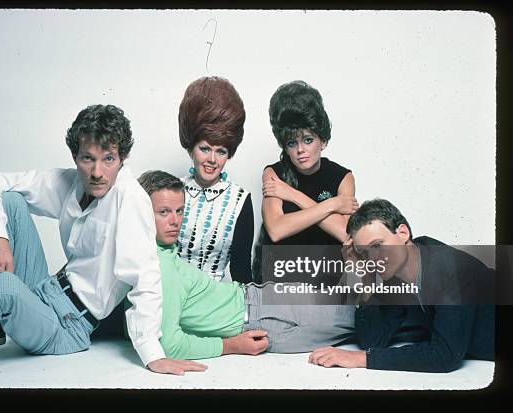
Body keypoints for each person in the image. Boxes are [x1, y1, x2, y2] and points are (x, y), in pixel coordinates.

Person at [0, 104, 206, 376]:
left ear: (123, 158)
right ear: (75, 156)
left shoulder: (130, 199)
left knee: (2, 286)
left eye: (108, 159)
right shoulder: (71, 182)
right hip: (44, 289)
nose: (97, 172)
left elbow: (146, 278)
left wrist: (152, 354)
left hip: (67, 326)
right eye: (88, 158)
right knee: (10, 200)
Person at [138, 170, 355, 360]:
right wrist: (231, 346)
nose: (175, 221)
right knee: (359, 317)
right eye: (164, 212)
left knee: (359, 302)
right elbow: (170, 345)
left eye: (179, 210)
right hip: (260, 317)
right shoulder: (160, 268)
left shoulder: (161, 251)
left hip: (256, 296)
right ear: (142, 212)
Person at [308, 199, 495, 373]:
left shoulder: (453, 269)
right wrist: (367, 279)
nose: (372, 259)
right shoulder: (397, 277)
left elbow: (444, 356)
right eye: (364, 252)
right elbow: (373, 340)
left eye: (378, 245)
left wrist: (359, 359)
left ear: (403, 233)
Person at [252, 80, 358, 282]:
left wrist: (293, 195)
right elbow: (276, 229)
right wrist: (333, 205)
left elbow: (345, 234)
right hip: (281, 278)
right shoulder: (274, 173)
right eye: (292, 143)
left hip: (326, 281)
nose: (300, 150)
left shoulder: (342, 177)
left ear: (323, 141)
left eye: (308, 140)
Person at [177, 76, 254, 283]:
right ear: (190, 147)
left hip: (214, 305)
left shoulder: (240, 200)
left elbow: (241, 272)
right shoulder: (171, 191)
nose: (212, 160)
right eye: (205, 149)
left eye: (221, 151)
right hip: (169, 299)